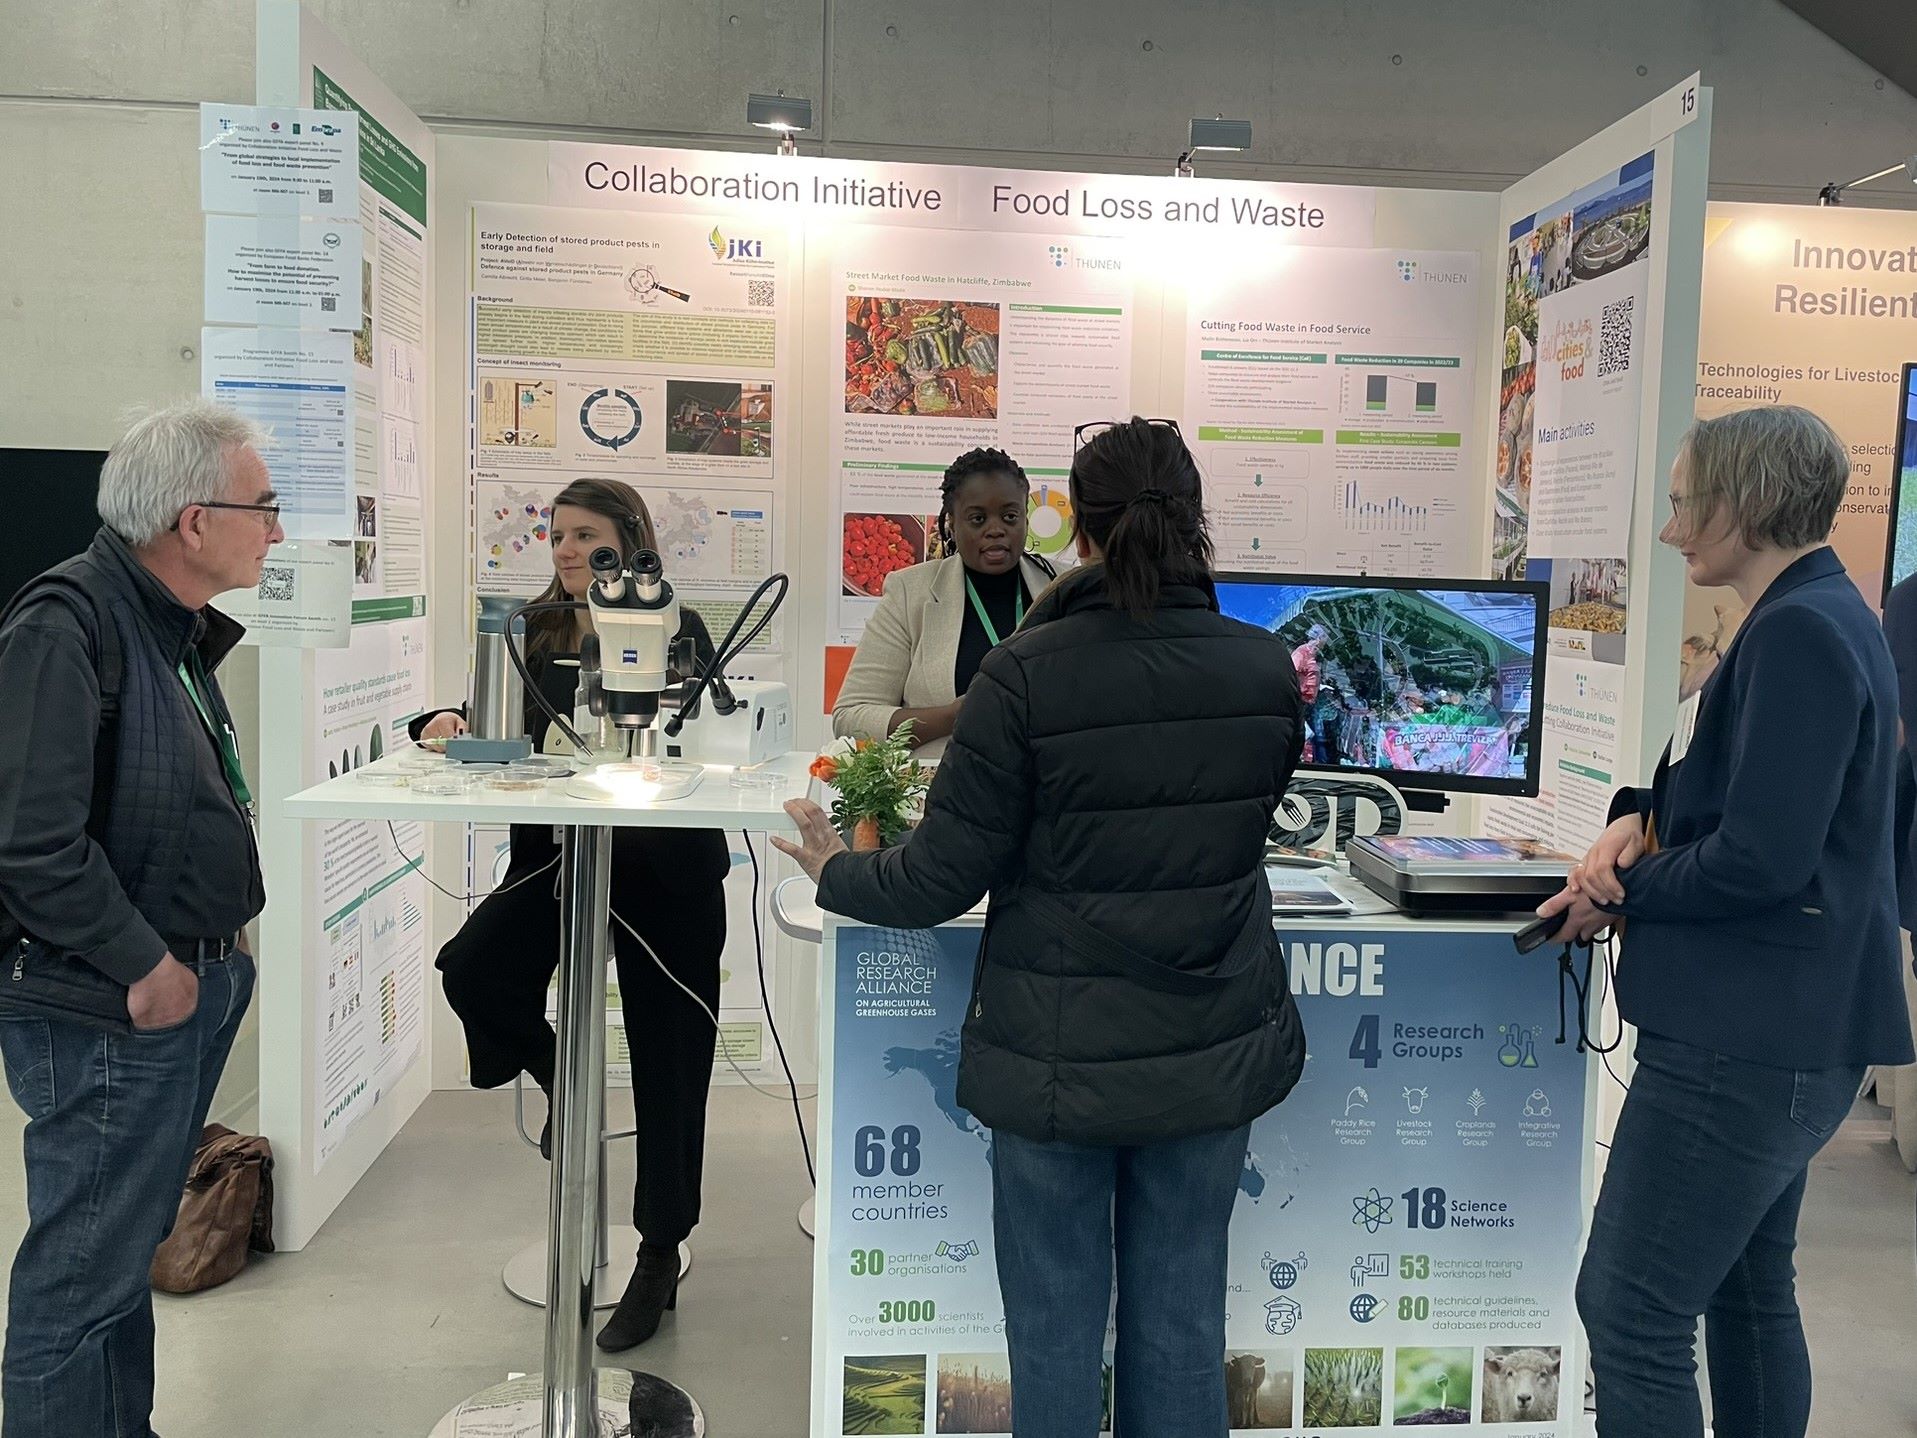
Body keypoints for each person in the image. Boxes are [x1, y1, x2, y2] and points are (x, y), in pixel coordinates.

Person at [777, 417, 1307, 1438]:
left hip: (1056, 1054)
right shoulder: (1263, 669)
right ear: (1195, 519)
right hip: (1211, 1048)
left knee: (1057, 1334)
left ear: (1077, 521)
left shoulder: (1026, 671)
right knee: (1186, 1326)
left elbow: (940, 875)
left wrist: (835, 869)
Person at [1537, 406, 1915, 1438]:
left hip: (1747, 1041)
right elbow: (1727, 795)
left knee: (1631, 1309)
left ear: (1744, 501)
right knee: (1746, 1294)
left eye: (1682, 505)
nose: (1669, 532)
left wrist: (1620, 890)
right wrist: (1634, 823)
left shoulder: (1799, 630)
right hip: (1782, 1030)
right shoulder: (1814, 613)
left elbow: (1763, 857)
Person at [0, 399, 280, 1437]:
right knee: (78, 1282)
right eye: (265, 506)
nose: (278, 529)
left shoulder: (165, 628)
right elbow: (32, 844)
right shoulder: (65, 622)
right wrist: (149, 964)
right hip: (109, 1007)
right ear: (193, 522)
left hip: (176, 989)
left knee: (117, 1265)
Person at [414, 477, 728, 1352]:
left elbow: (710, 738)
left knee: (671, 1059)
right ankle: (561, 1073)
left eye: (584, 535)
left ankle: (658, 1251)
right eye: (555, 535)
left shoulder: (678, 622)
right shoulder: (529, 628)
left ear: (627, 540)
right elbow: (487, 719)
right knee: (473, 969)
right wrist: (443, 718)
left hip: (665, 874)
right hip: (558, 860)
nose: (563, 550)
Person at [833, 448, 1056, 759]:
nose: (995, 529)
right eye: (978, 519)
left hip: (1046, 793)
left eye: (1009, 516)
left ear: (1024, 519)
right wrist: (953, 715)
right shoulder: (911, 592)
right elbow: (850, 717)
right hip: (943, 795)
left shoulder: (1061, 586)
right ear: (951, 523)